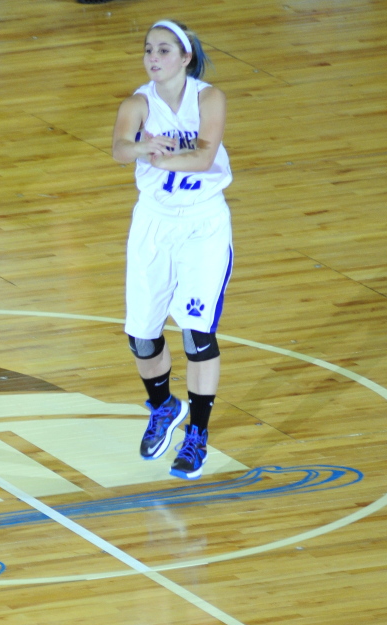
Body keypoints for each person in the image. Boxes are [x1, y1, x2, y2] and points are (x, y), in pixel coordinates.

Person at [111, 20, 232, 480]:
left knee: (197, 333)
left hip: (203, 222)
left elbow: (204, 157)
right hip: (154, 223)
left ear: (185, 58)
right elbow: (119, 149)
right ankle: (164, 406)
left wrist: (158, 156)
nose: (153, 57)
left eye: (163, 50)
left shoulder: (209, 98)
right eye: (147, 50)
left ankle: (197, 434)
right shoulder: (137, 103)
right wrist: (139, 146)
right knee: (141, 336)